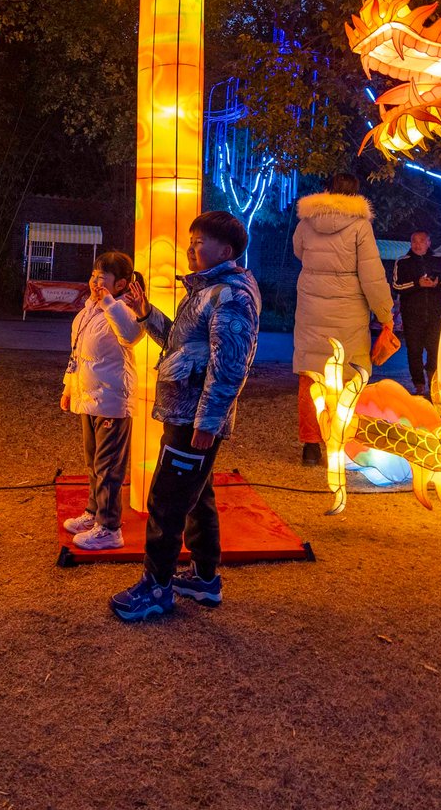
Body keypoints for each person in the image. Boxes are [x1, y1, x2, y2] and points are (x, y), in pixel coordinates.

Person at [108, 211, 261, 622]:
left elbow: (229, 365)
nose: (191, 248)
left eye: (199, 242)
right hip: (185, 412)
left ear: (225, 251)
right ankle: (205, 578)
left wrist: (207, 424)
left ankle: (156, 588)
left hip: (194, 417)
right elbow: (182, 345)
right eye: (190, 240)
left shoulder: (229, 295)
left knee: (167, 500)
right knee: (198, 496)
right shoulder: (207, 291)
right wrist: (146, 314)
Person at [291, 173, 398, 465]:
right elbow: (373, 277)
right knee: (349, 377)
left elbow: (299, 253)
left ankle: (310, 447)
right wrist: (385, 314)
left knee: (311, 376)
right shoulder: (360, 226)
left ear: (327, 190)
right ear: (356, 195)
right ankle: (343, 442)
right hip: (349, 312)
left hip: (311, 307)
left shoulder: (305, 223)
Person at [60, 251, 145, 551]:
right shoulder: (87, 311)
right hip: (89, 398)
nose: (95, 282)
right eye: (94, 276)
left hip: (112, 400)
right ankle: (94, 513)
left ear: (121, 284)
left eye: (103, 278)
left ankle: (109, 528)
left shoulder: (123, 308)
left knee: (108, 466)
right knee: (93, 461)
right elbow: (76, 355)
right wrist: (68, 388)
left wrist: (109, 301)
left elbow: (131, 334)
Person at [390, 230, 441, 396]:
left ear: (428, 242)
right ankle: (419, 384)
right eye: (414, 241)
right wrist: (417, 283)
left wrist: (436, 284)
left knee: (435, 349)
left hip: (435, 314)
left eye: (421, 241)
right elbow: (397, 286)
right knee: (414, 351)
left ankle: (433, 380)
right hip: (412, 316)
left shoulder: (440, 260)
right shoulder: (403, 262)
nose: (417, 245)